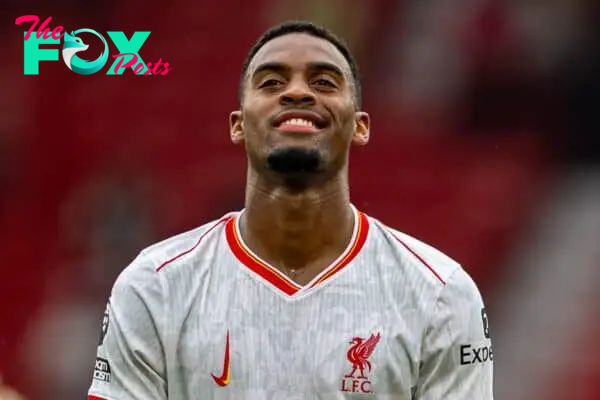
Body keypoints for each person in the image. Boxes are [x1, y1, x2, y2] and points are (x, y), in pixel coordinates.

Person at [87, 21, 494, 399]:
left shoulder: (440, 294)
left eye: (323, 81)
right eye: (271, 82)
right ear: (238, 124)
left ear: (361, 125)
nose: (297, 92)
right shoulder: (155, 287)